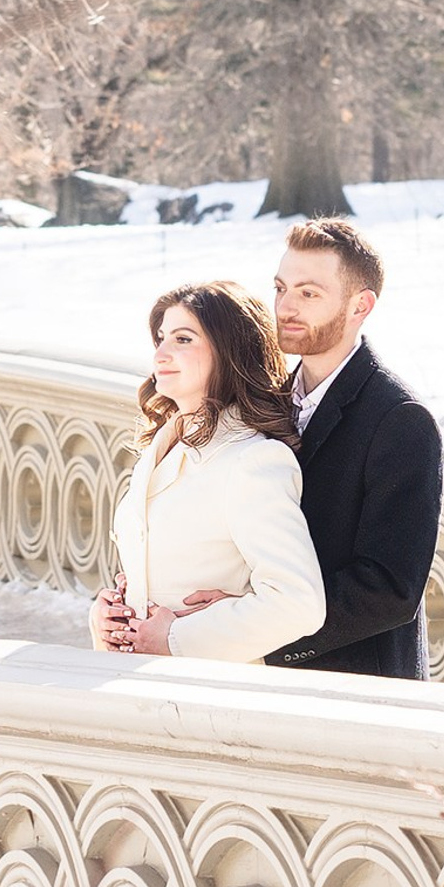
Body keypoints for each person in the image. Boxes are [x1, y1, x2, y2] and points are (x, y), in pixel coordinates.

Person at [91, 282, 325, 662]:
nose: (161, 354)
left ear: (227, 350)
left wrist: (175, 639)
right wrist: (108, 618)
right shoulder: (160, 449)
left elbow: (298, 604)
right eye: (161, 338)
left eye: (183, 339)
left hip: (206, 687)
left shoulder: (253, 460)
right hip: (135, 678)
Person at [264, 216, 444, 681]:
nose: (286, 307)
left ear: (360, 305)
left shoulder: (402, 420)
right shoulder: (264, 403)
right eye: (281, 288)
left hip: (357, 689)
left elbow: (388, 590)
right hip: (256, 681)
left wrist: (259, 635)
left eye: (309, 294)